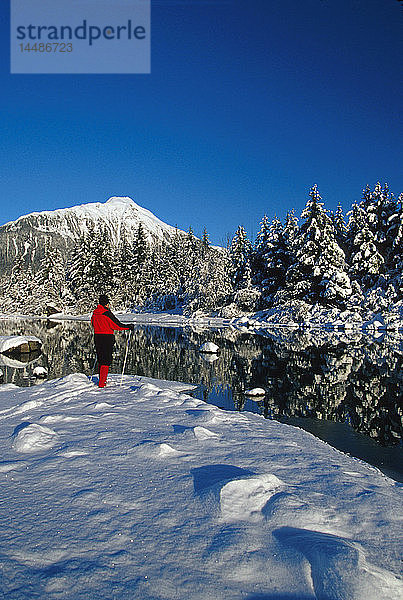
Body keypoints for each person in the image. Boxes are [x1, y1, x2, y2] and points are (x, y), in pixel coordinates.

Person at [91, 294, 134, 388]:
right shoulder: (106, 313)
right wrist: (128, 327)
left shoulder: (95, 313)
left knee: (101, 359)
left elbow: (93, 324)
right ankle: (102, 383)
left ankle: (102, 380)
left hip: (97, 337)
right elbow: (117, 325)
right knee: (106, 360)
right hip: (106, 337)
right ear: (106, 304)